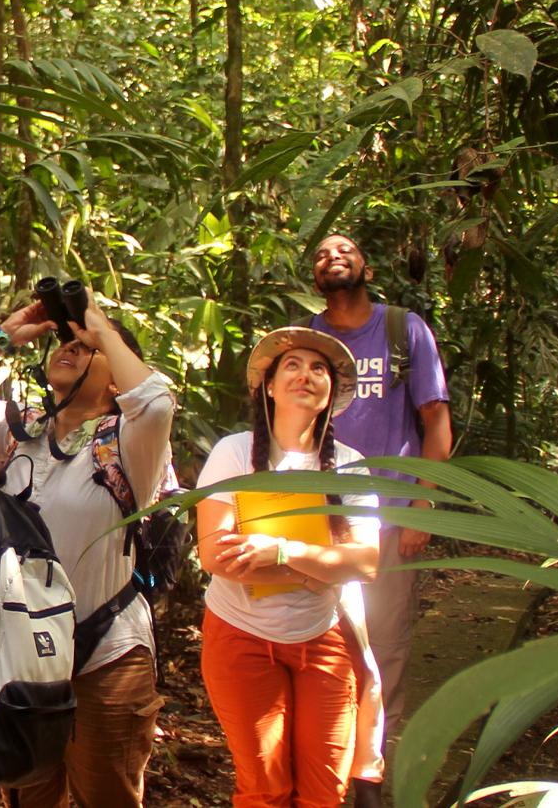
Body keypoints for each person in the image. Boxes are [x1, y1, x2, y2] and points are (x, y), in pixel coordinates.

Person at [0, 297, 171, 808]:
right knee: (30, 798)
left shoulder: (130, 443)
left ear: (117, 377)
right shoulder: (19, 430)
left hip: (107, 651)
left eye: (87, 349)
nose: (72, 349)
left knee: (109, 796)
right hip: (23, 655)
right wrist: (7, 335)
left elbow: (157, 401)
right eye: (67, 342)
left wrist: (100, 327)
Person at [194, 327, 382, 808]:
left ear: (330, 394)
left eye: (318, 368)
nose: (306, 374)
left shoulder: (348, 465)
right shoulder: (234, 453)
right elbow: (217, 556)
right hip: (240, 635)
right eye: (292, 365)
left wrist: (280, 553)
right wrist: (321, 567)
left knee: (325, 791)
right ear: (269, 387)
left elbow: (365, 562)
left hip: (324, 637)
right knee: (264, 788)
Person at [302, 232, 453, 792]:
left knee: (383, 646)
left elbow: (435, 422)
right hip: (318, 516)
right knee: (318, 640)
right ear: (314, 277)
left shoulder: (402, 330)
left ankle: (370, 771)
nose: (332, 257)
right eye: (320, 254)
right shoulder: (309, 340)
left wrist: (422, 504)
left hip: (388, 514)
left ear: (366, 267)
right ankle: (324, 764)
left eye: (344, 251)